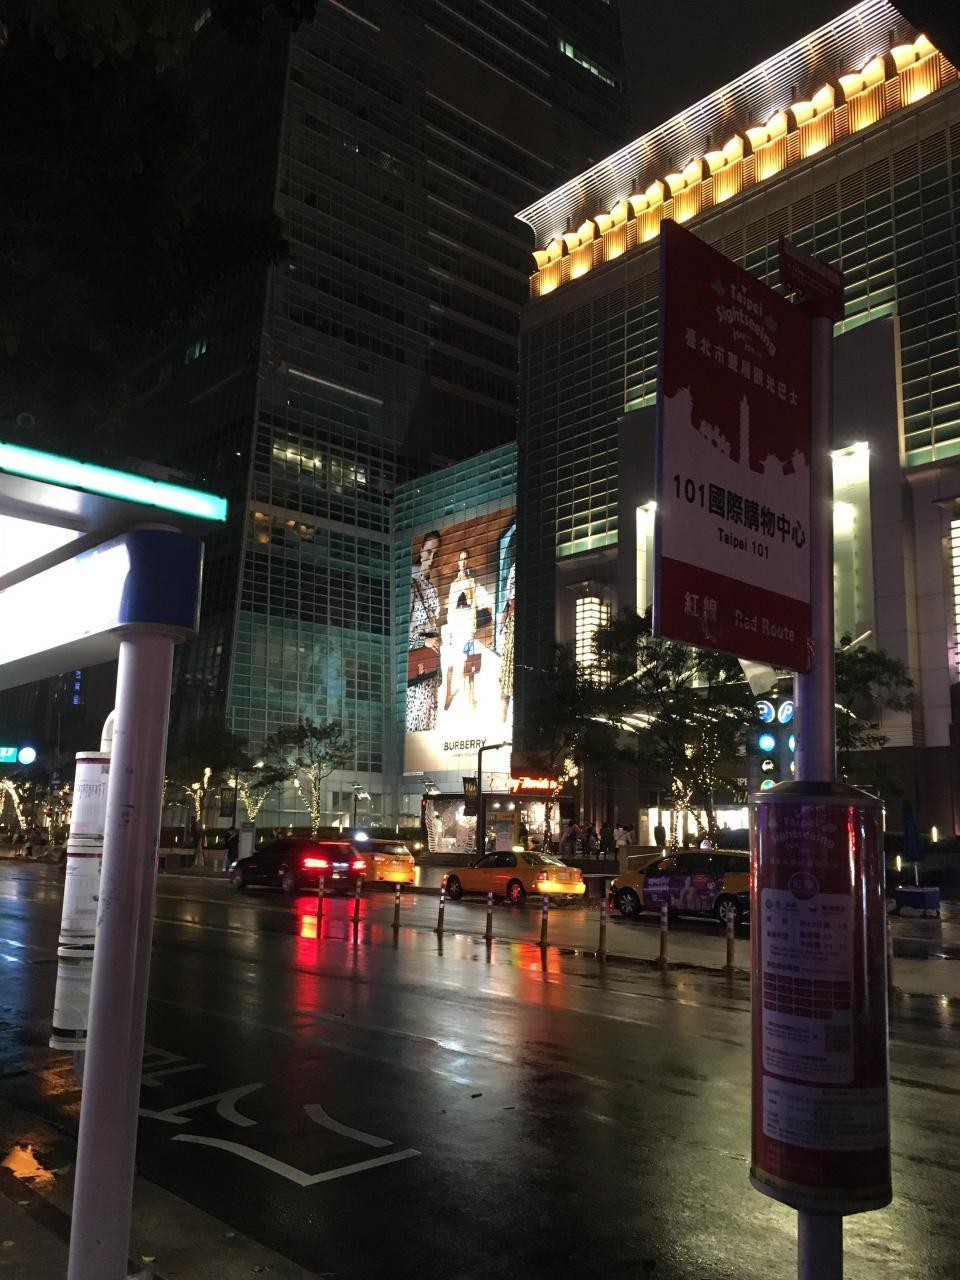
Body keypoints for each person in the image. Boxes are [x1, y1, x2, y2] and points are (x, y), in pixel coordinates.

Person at [407, 530, 442, 732]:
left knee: (429, 718)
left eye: (436, 553)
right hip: (416, 663)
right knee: (415, 719)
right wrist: (424, 642)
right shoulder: (410, 584)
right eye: (429, 551)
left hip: (430, 662)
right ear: (421, 551)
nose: (431, 557)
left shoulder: (431, 587)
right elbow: (399, 635)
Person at [445, 548, 477, 713]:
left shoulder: (471, 582)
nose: (463, 562)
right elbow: (451, 608)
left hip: (466, 624)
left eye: (465, 559)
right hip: (456, 624)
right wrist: (450, 630)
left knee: (469, 662)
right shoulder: (454, 584)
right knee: (452, 662)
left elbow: (474, 605)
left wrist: (473, 627)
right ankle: (448, 694)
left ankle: (470, 697)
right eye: (461, 559)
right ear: (458, 562)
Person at [498, 561, 515, 724]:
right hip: (512, 627)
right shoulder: (515, 568)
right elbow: (509, 599)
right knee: (506, 680)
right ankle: (502, 720)